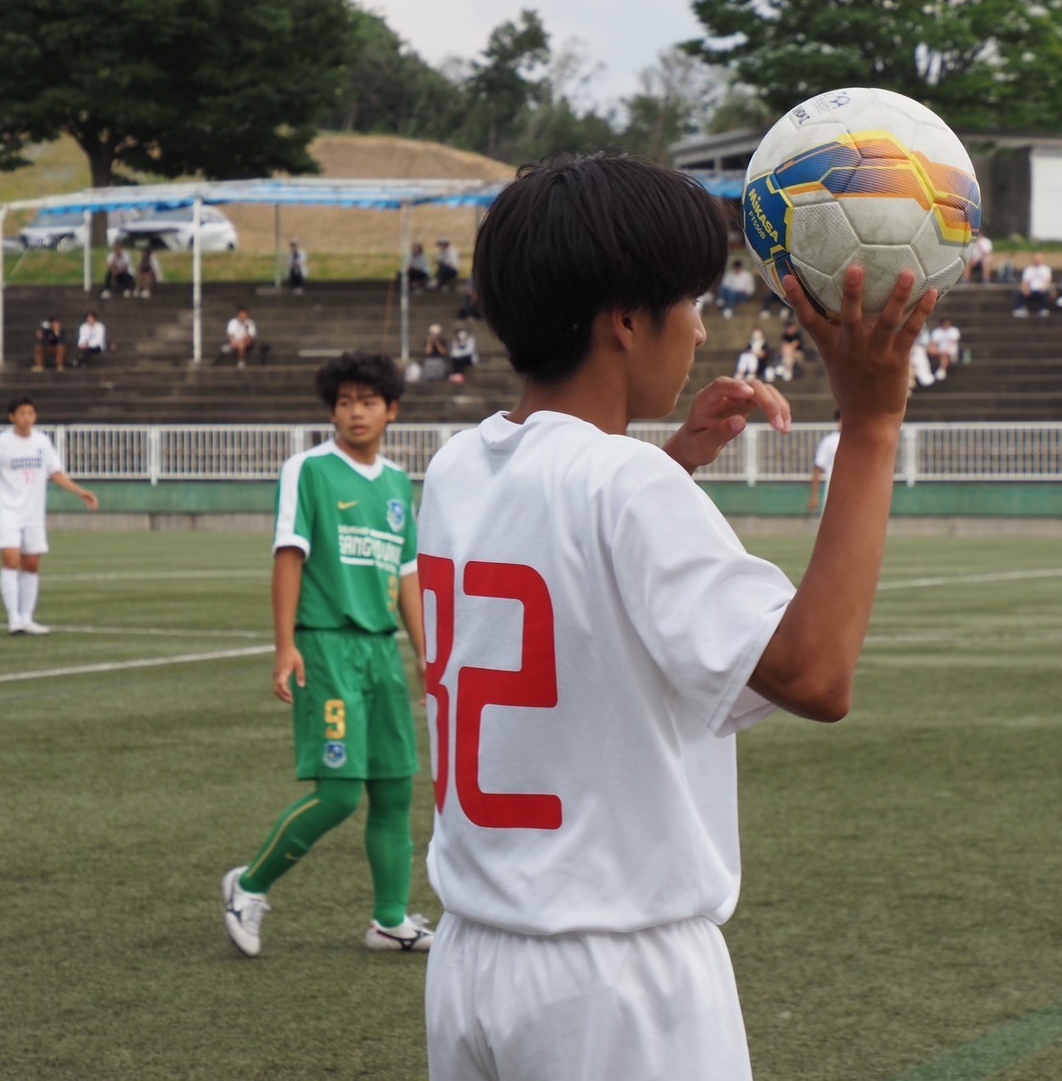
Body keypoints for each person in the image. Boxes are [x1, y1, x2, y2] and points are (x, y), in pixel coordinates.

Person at [417, 153, 932, 1081]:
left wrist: (670, 460)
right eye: (690, 303)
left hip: (472, 962)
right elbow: (814, 674)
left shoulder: (458, 466)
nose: (699, 329)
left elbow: (566, 548)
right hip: (616, 981)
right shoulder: (626, 484)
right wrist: (869, 426)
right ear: (624, 320)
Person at [222, 351, 433, 959]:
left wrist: (425, 655)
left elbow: (407, 574)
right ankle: (248, 886)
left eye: (368, 402)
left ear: (392, 410)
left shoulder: (397, 484)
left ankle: (389, 920)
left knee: (394, 790)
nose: (355, 412)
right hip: (326, 646)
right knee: (340, 792)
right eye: (344, 403)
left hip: (380, 653)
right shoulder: (308, 470)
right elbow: (289, 553)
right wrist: (285, 645)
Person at [0, 396, 99, 635]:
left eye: (31, 413)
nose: (27, 418)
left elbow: (56, 473)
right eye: (22, 414)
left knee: (31, 564)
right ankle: (14, 619)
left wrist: (80, 492)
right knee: (11, 560)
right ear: (12, 417)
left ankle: (27, 618)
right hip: (8, 511)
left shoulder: (42, 442)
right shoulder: (0, 443)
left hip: (33, 513)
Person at [807, 413, 841, 513]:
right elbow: (818, 469)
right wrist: (814, 496)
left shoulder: (859, 441)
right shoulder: (829, 441)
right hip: (833, 491)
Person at [926, 316, 961, 380]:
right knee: (930, 349)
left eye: (948, 323)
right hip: (939, 351)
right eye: (945, 323)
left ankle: (942, 371)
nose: (946, 325)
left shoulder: (954, 331)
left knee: (944, 355)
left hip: (950, 352)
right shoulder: (937, 331)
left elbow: (952, 343)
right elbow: (933, 343)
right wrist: (934, 349)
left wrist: (945, 351)